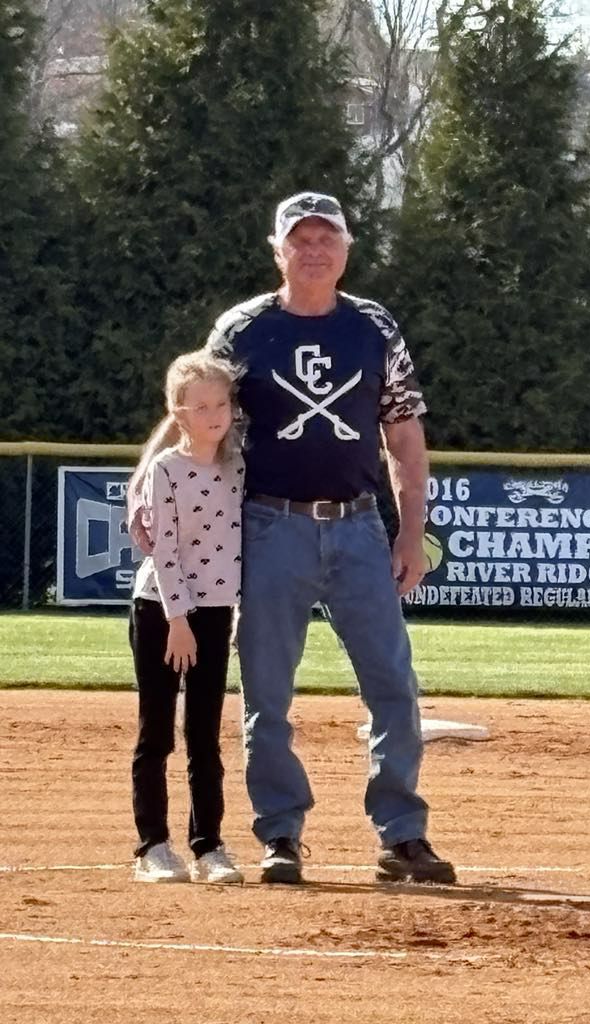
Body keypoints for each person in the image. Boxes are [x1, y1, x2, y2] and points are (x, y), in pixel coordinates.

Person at [205, 191, 456, 886]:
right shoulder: (241, 329)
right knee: (266, 693)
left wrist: (411, 532)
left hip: (357, 526)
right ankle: (280, 832)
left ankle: (402, 835)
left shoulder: (373, 326)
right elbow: (197, 412)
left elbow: (403, 433)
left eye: (326, 238)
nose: (313, 250)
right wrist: (152, 479)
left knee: (393, 684)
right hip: (268, 525)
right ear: (277, 249)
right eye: (300, 238)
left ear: (346, 249)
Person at [126, 351, 245, 884]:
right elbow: (165, 550)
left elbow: (238, 549)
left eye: (221, 404)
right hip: (163, 610)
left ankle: (209, 846)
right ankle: (152, 846)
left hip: (215, 613)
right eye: (201, 407)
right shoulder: (166, 470)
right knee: (156, 732)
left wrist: (236, 611)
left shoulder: (238, 467)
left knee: (204, 735)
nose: (215, 415)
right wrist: (178, 620)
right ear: (178, 414)